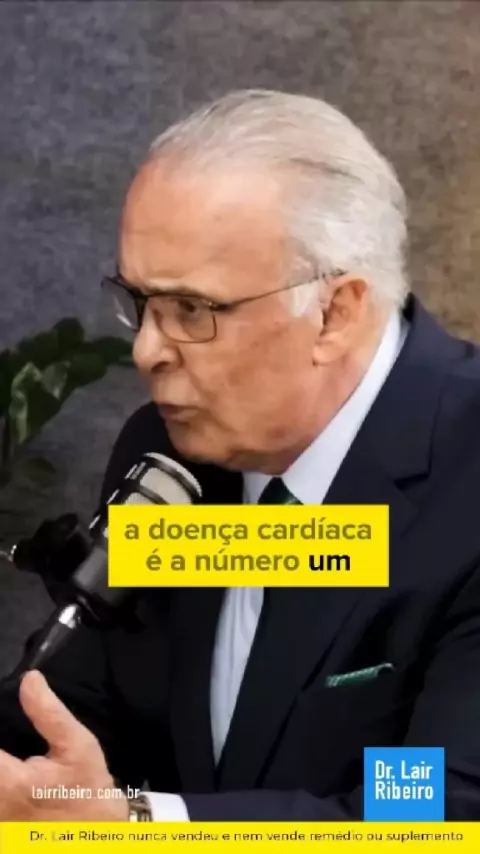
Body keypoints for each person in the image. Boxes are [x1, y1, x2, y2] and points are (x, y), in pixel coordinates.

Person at [1, 88, 480, 821]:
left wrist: (139, 827)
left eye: (191, 310)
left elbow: (430, 808)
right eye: (139, 303)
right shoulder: (170, 455)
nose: (146, 350)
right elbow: (77, 708)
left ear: (334, 312)